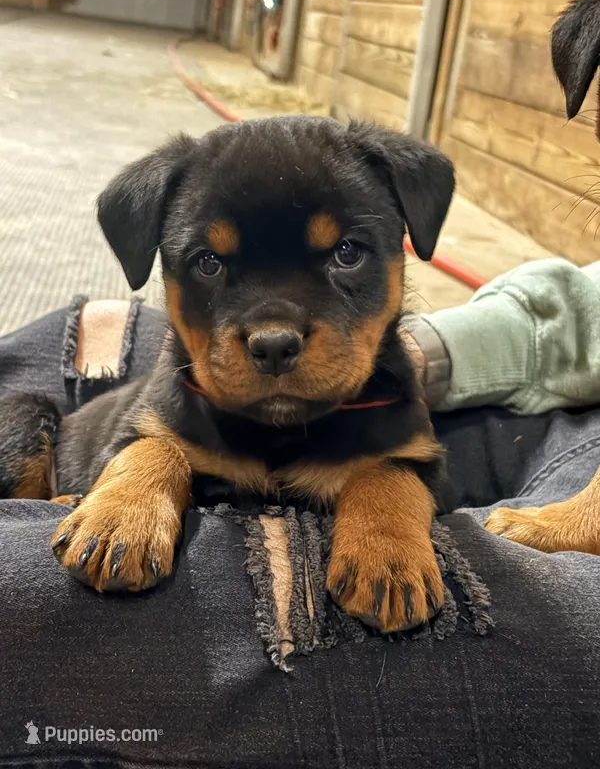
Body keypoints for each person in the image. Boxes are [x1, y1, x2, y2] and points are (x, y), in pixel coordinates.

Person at [0, 257, 599, 768]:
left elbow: (413, 466)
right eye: (211, 264)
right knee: (55, 403)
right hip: (70, 449)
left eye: (344, 255)